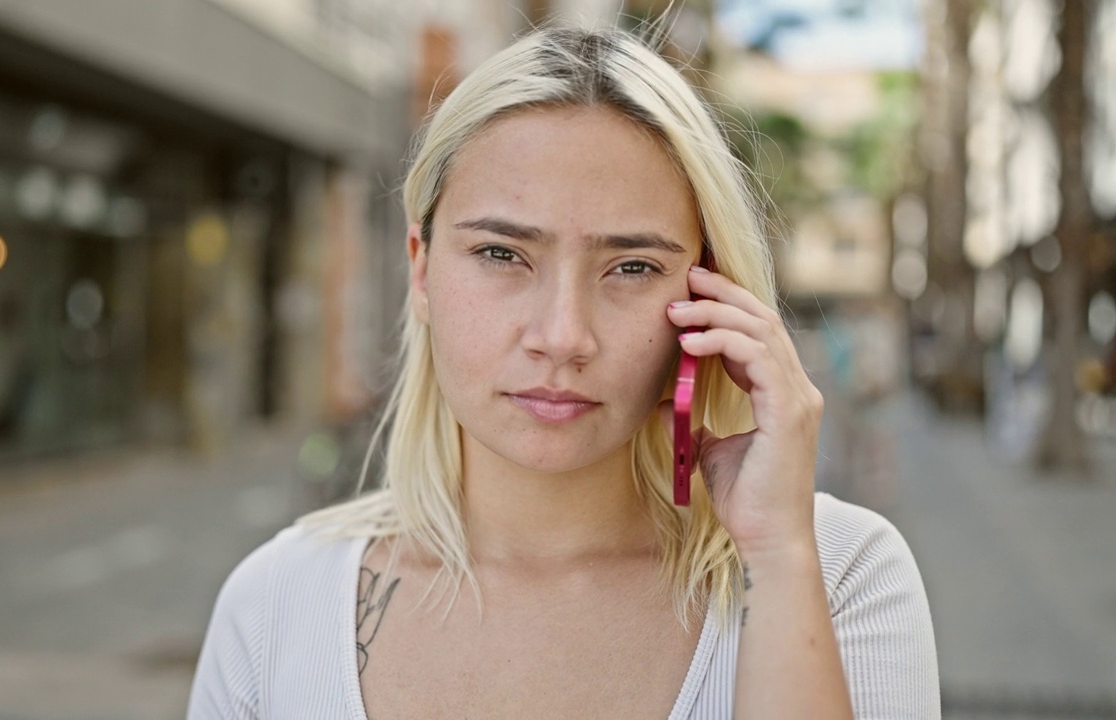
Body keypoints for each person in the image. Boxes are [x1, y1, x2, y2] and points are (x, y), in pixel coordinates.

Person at [188, 23, 939, 719]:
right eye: (501, 254)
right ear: (421, 273)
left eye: (632, 266)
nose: (562, 336)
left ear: (710, 295)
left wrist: (777, 557)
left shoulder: (839, 578)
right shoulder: (277, 603)